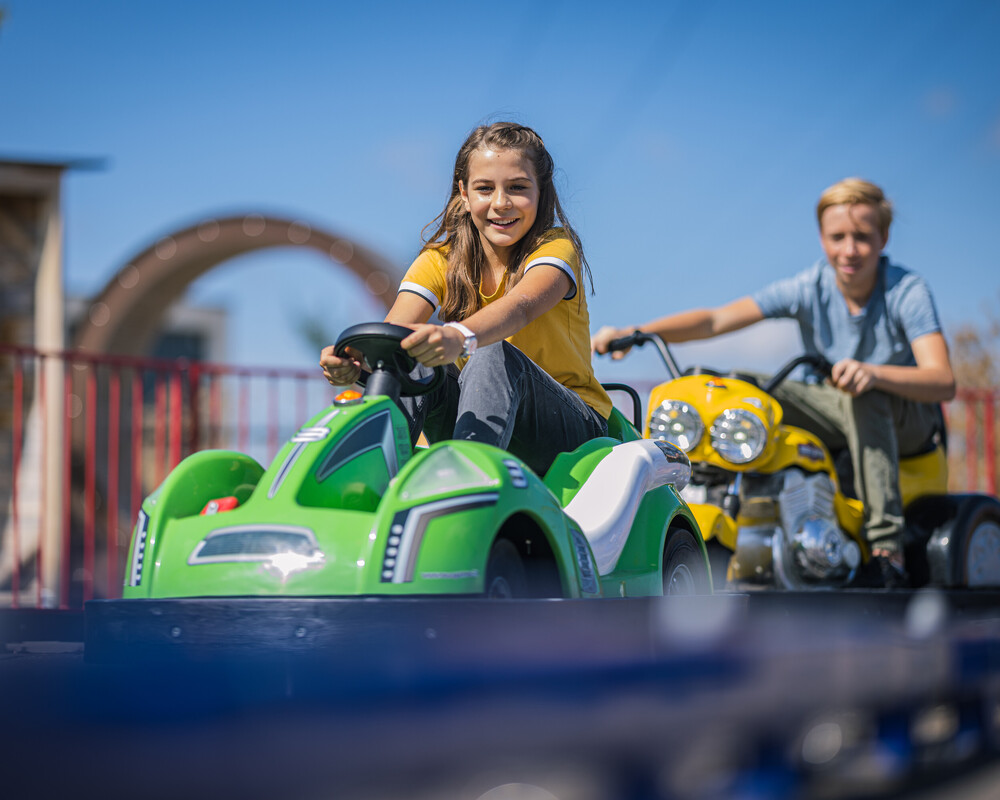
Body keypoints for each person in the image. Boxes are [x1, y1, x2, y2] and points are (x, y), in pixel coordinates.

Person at [592, 178, 956, 586]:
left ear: (884, 237)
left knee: (863, 395)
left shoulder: (906, 290)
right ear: (822, 238)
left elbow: (942, 381)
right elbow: (716, 320)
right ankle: (732, 511)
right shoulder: (809, 287)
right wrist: (637, 331)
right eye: (838, 237)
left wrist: (873, 372)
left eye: (862, 237)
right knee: (733, 384)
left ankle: (887, 550)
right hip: (835, 401)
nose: (849, 250)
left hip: (907, 418)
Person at [321, 122, 611, 476]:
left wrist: (460, 336)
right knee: (412, 352)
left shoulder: (555, 248)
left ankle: (463, 484)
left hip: (569, 429)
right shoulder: (440, 258)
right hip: (477, 413)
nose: (501, 203)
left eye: (518, 188)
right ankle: (372, 478)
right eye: (485, 188)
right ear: (464, 192)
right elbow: (395, 328)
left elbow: (521, 306)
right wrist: (355, 361)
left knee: (490, 349)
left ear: (541, 190)